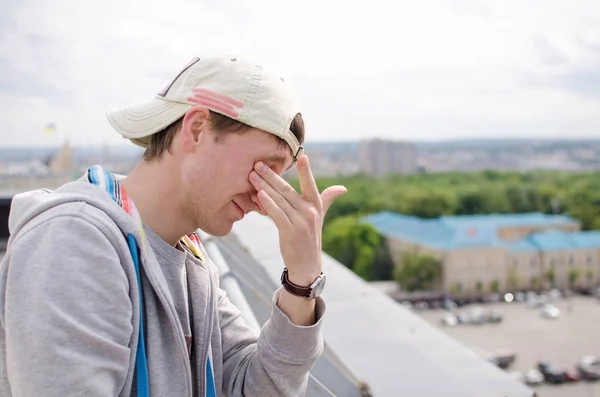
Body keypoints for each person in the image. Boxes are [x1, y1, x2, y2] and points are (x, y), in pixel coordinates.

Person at [0, 55, 347, 397]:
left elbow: (257, 388)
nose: (262, 200)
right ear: (197, 128)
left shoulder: (191, 259)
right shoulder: (74, 241)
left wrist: (302, 279)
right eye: (263, 169)